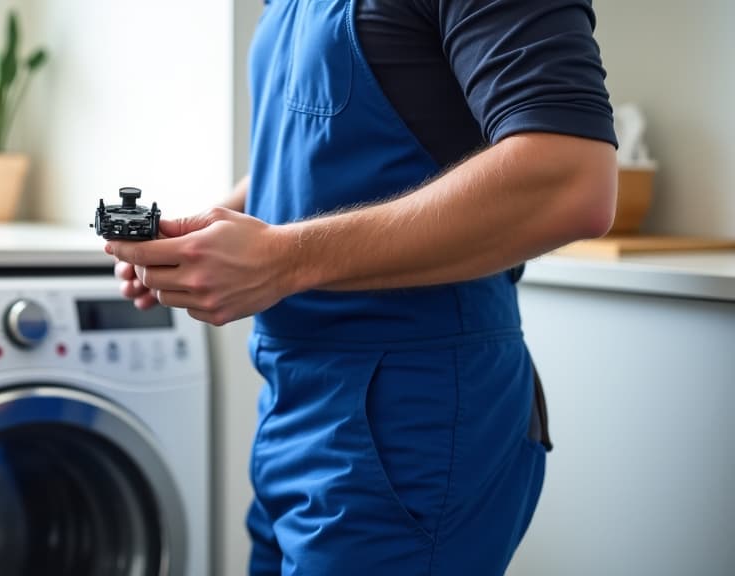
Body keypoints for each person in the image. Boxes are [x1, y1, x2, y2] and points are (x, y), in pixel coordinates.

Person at [107, 0, 617, 573]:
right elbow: (327, 137)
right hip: (293, 400)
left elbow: (570, 179)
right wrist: (209, 231)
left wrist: (280, 259)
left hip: (411, 419)